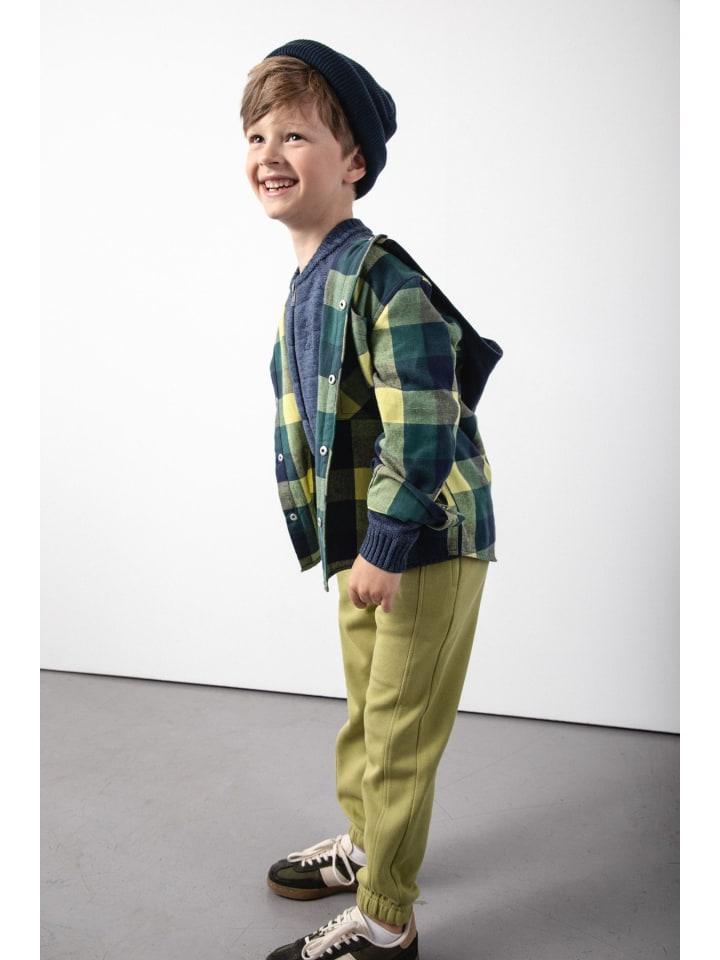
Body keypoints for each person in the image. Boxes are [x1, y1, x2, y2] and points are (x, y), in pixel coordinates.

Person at [240, 38, 502, 960]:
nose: (270, 153)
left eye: (296, 135)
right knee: (367, 708)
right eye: (258, 136)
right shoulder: (311, 278)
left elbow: (424, 418)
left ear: (353, 161)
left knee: (398, 732)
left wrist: (387, 543)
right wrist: (359, 545)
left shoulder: (384, 278)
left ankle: (388, 922)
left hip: (423, 539)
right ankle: (365, 845)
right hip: (368, 544)